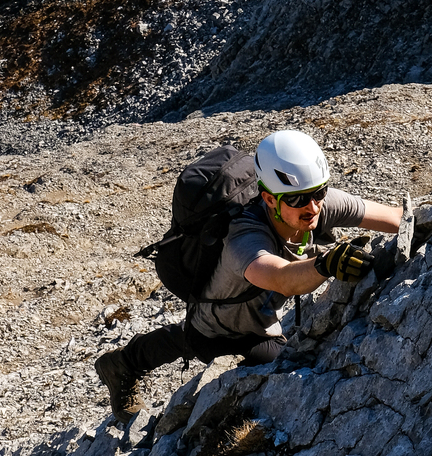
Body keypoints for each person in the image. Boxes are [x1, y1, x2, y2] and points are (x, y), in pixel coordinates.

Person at [95, 129, 402, 420]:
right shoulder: (244, 238)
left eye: (319, 192)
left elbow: (396, 218)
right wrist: (326, 265)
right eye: (296, 199)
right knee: (277, 361)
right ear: (269, 198)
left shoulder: (316, 204)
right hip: (222, 333)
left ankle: (124, 361)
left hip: (255, 314)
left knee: (195, 330)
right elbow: (282, 278)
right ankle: (122, 364)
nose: (312, 206)